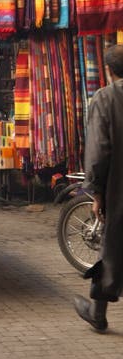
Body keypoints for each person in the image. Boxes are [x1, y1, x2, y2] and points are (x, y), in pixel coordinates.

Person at [73, 44, 123, 333]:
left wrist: (97, 193)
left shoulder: (105, 98)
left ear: (108, 70)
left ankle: (98, 313)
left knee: (112, 245)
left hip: (117, 187)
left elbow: (98, 150)